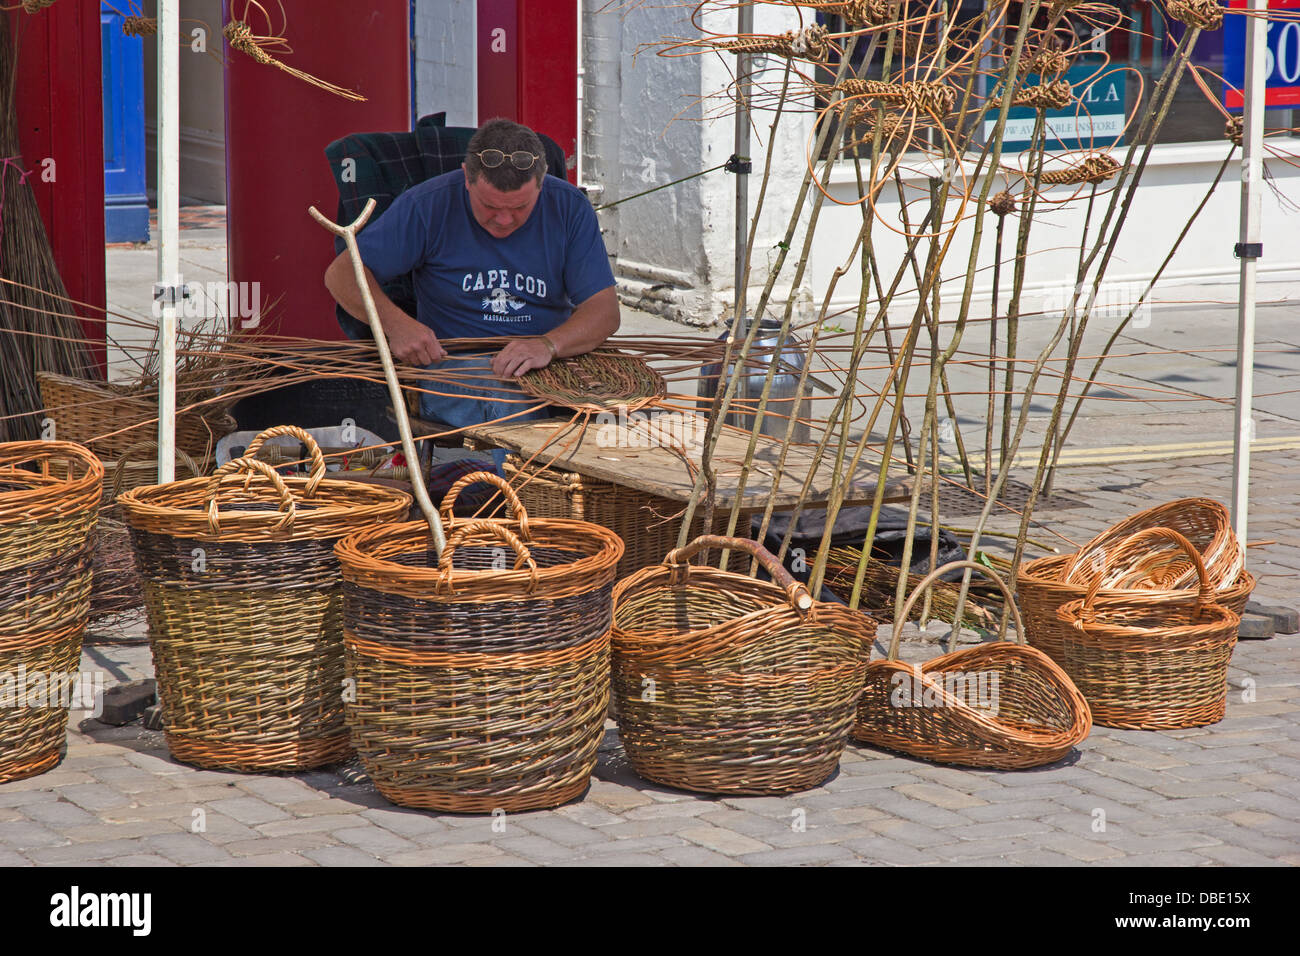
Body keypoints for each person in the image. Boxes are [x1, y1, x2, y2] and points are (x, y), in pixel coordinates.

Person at [324, 117, 620, 458]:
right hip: (458, 366)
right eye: (490, 206)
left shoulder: (568, 207)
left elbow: (604, 311)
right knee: (507, 398)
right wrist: (396, 325)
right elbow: (342, 274)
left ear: (542, 184)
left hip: (549, 364)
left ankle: (563, 497)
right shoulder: (429, 204)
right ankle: (515, 502)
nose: (504, 220)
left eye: (521, 208)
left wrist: (548, 345)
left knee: (627, 404)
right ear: (467, 177)